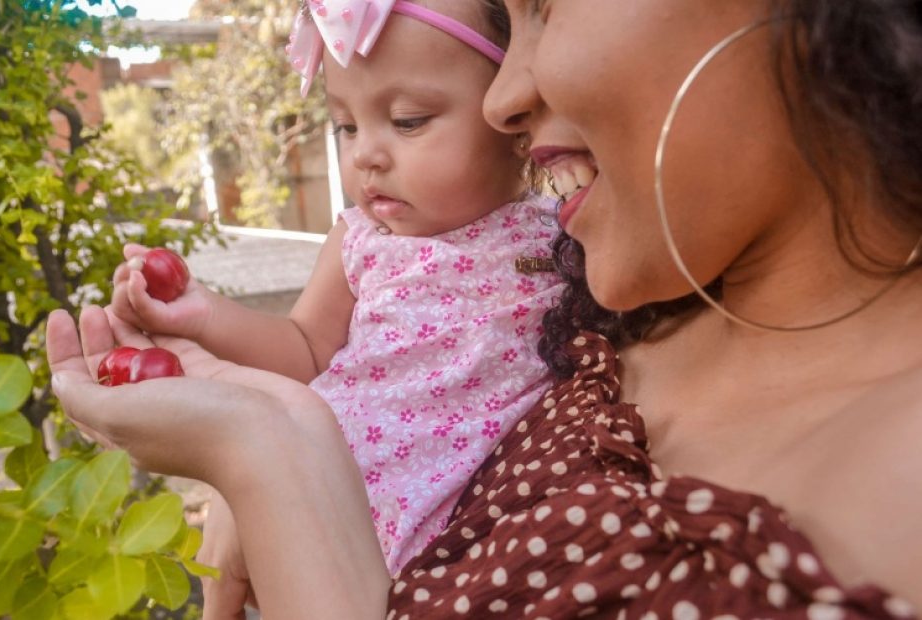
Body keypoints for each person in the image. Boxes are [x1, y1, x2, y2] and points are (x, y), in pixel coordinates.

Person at [45, 0, 922, 616]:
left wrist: (267, 465)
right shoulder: (618, 310)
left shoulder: (556, 253)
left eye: (544, 5)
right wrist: (250, 395)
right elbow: (310, 349)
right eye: (348, 128)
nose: (505, 99)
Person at [107, 0, 562, 574]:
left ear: (515, 117)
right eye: (345, 126)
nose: (366, 155)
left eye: (408, 120)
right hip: (333, 501)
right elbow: (304, 348)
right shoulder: (361, 240)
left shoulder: (560, 237)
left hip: (478, 530)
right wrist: (203, 315)